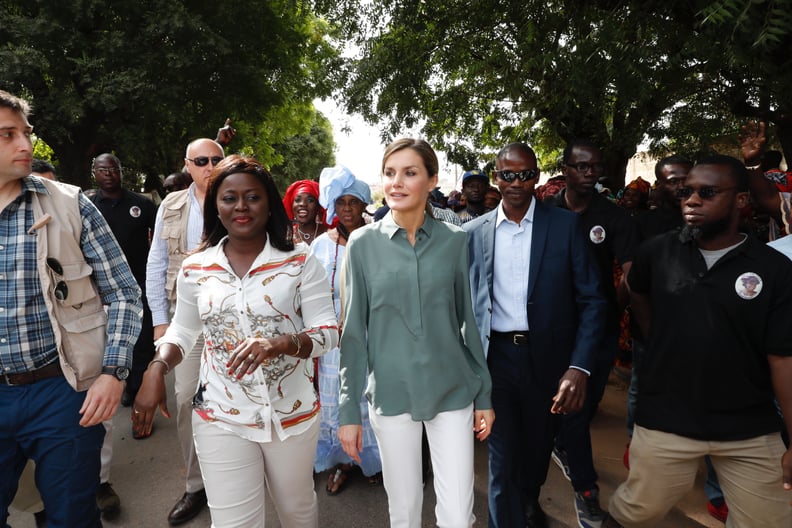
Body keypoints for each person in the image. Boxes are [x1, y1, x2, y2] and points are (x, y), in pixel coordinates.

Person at [133, 155, 338, 527]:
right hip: (219, 415)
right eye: (229, 198)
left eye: (252, 197)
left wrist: (280, 343)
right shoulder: (197, 267)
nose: (241, 206)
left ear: (269, 203)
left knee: (297, 512)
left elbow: (327, 332)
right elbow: (183, 329)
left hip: (290, 415)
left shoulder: (299, 260)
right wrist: (157, 365)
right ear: (216, 205)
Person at [602, 155, 792, 528]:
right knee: (636, 512)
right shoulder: (657, 252)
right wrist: (654, 338)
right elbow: (635, 289)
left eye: (707, 193)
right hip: (666, 420)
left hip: (749, 429)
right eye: (687, 192)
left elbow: (783, 360)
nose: (691, 200)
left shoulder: (774, 269)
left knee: (771, 521)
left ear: (740, 200)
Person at [0, 90, 142, 528]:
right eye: (7, 135)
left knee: (72, 517)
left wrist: (112, 373)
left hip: (62, 393)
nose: (26, 145)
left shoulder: (70, 204)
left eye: (25, 133)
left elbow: (123, 293)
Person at [338, 138, 494, 528]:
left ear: (432, 180)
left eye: (410, 173)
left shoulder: (455, 242)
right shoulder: (361, 245)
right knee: (404, 509)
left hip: (452, 389)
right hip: (391, 394)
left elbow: (467, 321)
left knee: (458, 514)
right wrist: (347, 411)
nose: (397, 182)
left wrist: (484, 394)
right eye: (390, 173)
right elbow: (353, 333)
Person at [464, 142, 607, 528]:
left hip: (549, 360)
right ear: (496, 178)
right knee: (501, 459)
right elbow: (462, 304)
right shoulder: (472, 233)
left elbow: (593, 300)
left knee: (537, 448)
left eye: (525, 174)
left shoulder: (564, 226)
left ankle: (528, 501)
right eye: (507, 175)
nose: (516, 183)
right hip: (496, 360)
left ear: (536, 177)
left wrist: (579, 367)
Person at [548, 139, 638, 527]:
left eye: (595, 167)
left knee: (581, 408)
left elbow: (632, 273)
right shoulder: (545, 212)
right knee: (570, 411)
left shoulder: (614, 217)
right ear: (564, 169)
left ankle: (567, 447)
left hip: (595, 331)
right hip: (550, 328)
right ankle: (586, 490)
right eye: (581, 167)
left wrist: (611, 304)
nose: (590, 173)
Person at [144, 137, 225, 525]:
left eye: (216, 159)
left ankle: (236, 475)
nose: (210, 166)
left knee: (236, 397)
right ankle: (196, 485)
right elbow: (156, 263)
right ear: (188, 165)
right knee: (186, 402)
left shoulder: (239, 197)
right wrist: (161, 322)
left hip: (233, 318)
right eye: (202, 161)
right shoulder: (170, 206)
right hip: (184, 319)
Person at [311, 165, 381, 494]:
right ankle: (343, 461)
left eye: (354, 202)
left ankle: (372, 461)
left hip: (373, 335)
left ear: (365, 204)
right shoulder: (321, 247)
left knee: (369, 398)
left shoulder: (379, 238)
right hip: (334, 340)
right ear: (333, 207)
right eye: (341, 203)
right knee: (337, 400)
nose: (348, 209)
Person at [282, 180, 328, 245]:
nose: (303, 204)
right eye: (298, 200)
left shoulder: (330, 235)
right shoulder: (286, 236)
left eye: (310, 200)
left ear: (318, 206)